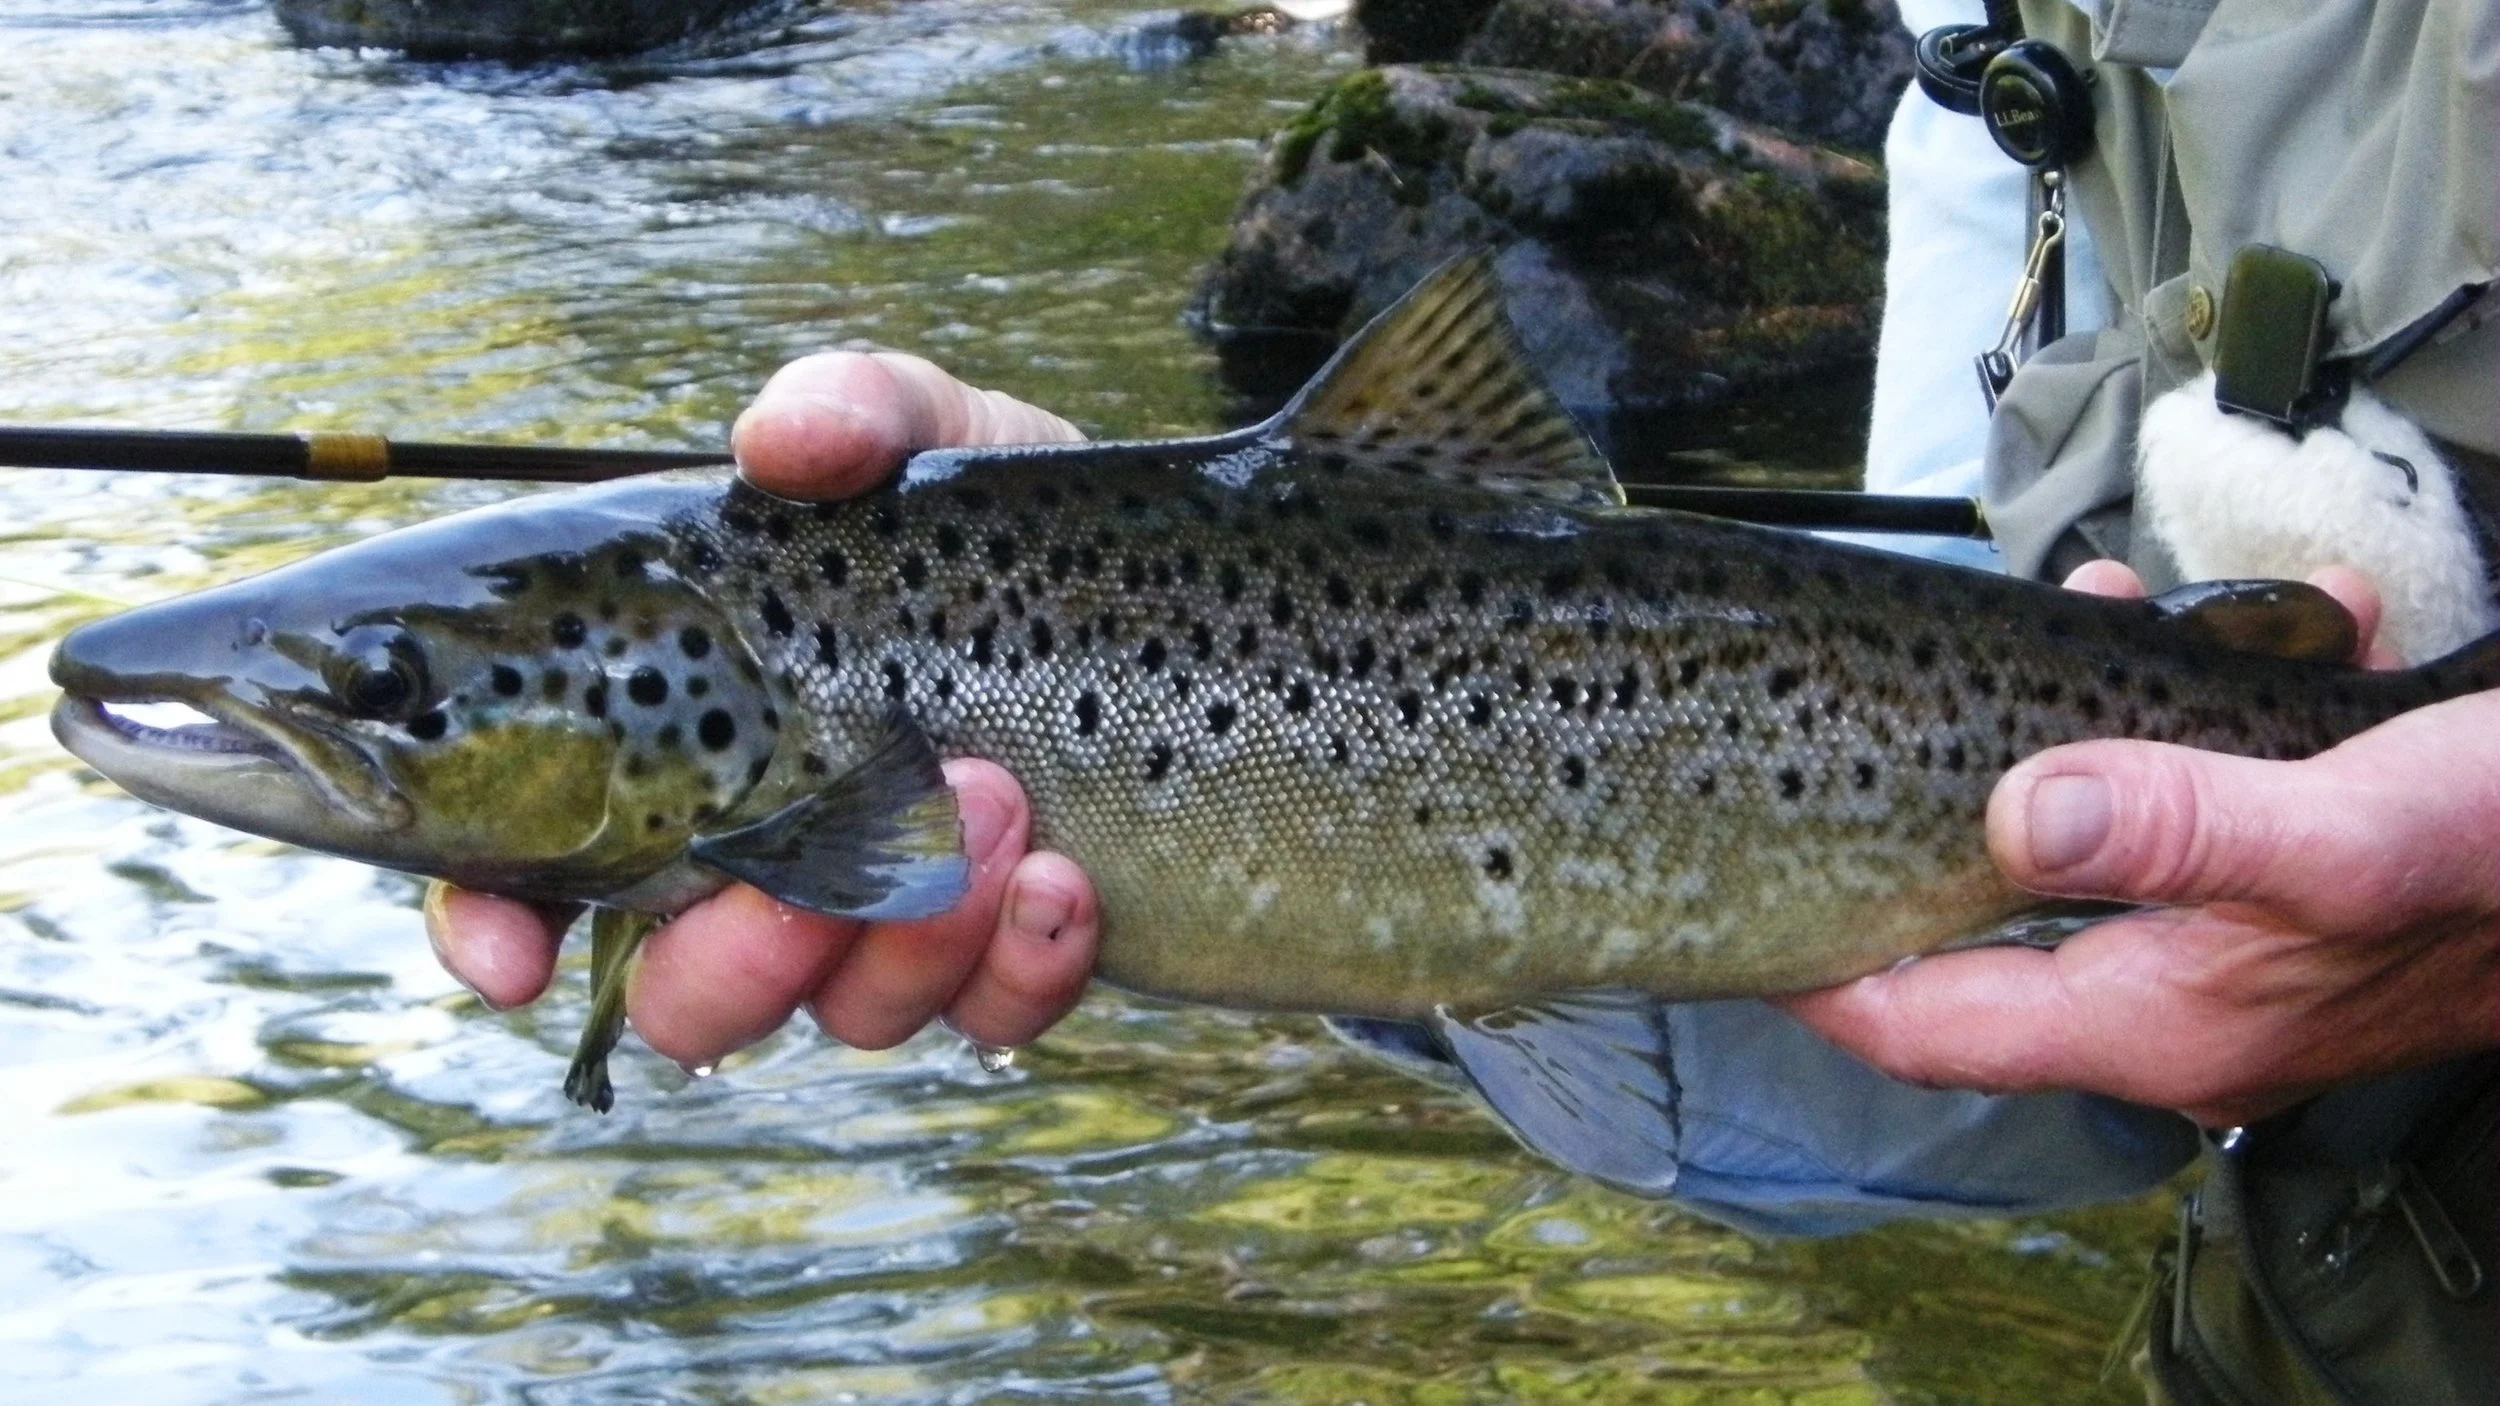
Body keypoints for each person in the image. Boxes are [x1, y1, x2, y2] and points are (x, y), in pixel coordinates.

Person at [429, 0, 2498, 1395]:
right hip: (2338, 1295)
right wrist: (1180, 609)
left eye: (390, 688)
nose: (364, 725)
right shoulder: (2005, 62)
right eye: (395, 694)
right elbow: (1954, 840)